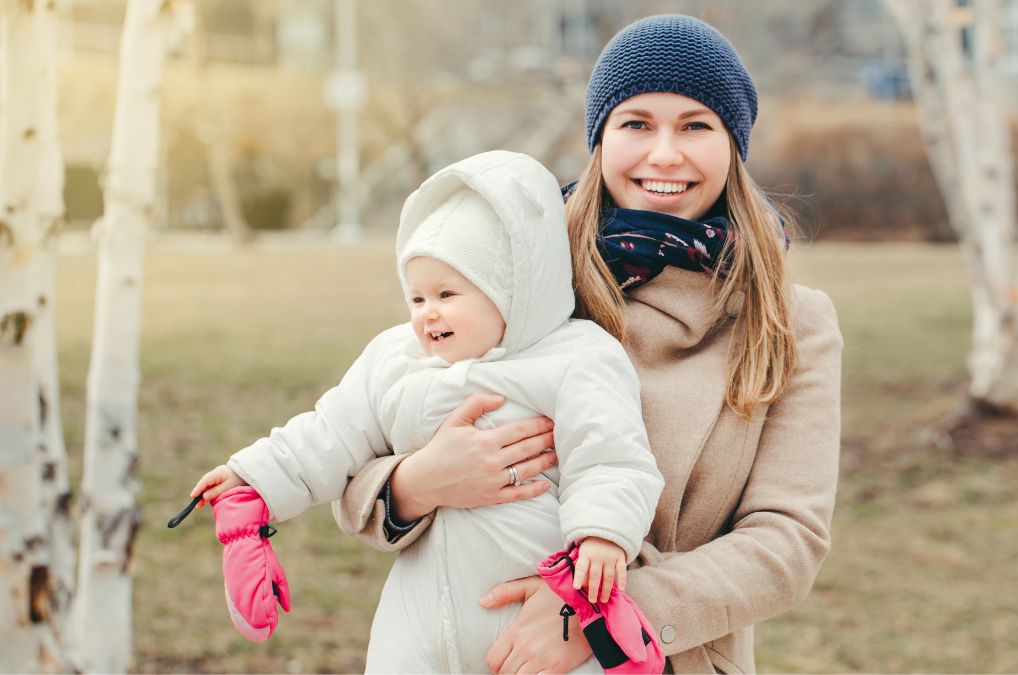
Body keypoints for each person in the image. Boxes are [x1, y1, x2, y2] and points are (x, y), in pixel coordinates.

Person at [336, 14, 842, 674]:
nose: (665, 153)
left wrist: (602, 615)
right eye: (636, 123)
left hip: (664, 654)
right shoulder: (521, 279)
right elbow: (365, 435)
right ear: (600, 138)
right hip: (475, 642)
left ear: (733, 145)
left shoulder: (791, 321)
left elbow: (787, 541)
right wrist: (418, 480)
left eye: (696, 125)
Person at [189, 150, 664, 673]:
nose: (427, 313)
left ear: (512, 290)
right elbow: (328, 433)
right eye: (416, 298)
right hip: (418, 620)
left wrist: (601, 534)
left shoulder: (576, 357)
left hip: (538, 616)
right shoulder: (395, 361)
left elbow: (612, 456)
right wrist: (250, 481)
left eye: (446, 292)